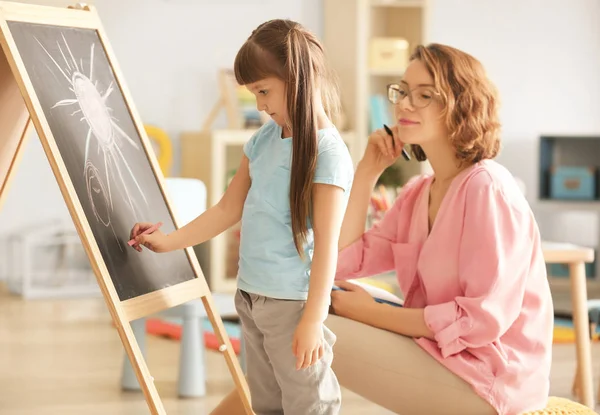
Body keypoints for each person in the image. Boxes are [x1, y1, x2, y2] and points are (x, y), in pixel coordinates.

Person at [209, 43, 554, 415]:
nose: (404, 103)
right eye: (403, 91)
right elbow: (338, 261)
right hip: (444, 356)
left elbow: (481, 321)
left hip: (488, 381)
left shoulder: (488, 188)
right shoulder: (418, 193)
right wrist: (367, 172)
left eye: (424, 95)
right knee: (313, 302)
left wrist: (370, 311)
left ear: (463, 105)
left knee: (307, 325)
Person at [130, 19, 354, 415]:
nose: (260, 105)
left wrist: (313, 321)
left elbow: (327, 249)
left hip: (292, 305)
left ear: (297, 77)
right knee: (266, 402)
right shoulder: (262, 141)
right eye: (254, 94)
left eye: (264, 91)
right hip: (250, 299)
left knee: (310, 404)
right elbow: (225, 210)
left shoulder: (329, 154)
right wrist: (167, 241)